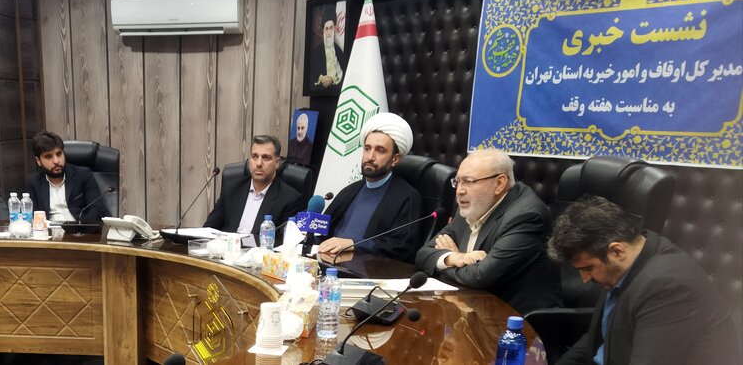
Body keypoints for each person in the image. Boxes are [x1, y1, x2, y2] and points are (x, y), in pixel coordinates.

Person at [550, 196, 740, 365]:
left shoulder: (667, 287)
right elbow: (600, 337)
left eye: (588, 268)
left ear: (617, 251)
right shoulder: (625, 265)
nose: (585, 279)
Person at [416, 149, 560, 314]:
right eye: (458, 182)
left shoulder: (527, 216)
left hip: (517, 319)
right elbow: (423, 255)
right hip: (475, 309)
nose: (459, 191)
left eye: (469, 182)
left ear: (499, 184)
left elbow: (481, 277)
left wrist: (443, 265)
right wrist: (455, 258)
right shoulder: (472, 205)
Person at [317, 113, 423, 262]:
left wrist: (354, 244)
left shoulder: (407, 197)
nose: (370, 157)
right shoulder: (350, 190)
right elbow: (322, 230)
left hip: (368, 270)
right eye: (367, 149)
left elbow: (402, 247)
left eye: (380, 150)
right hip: (327, 263)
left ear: (395, 159)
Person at [204, 135, 304, 245]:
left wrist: (242, 243)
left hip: (259, 253)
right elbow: (208, 229)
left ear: (277, 163)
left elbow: (283, 241)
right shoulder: (232, 189)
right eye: (255, 157)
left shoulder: (290, 198)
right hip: (225, 250)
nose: (259, 163)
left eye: (266, 158)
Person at [25, 131, 109, 223]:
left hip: (78, 229)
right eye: (49, 157)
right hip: (48, 230)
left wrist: (80, 227)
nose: (56, 161)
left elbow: (97, 209)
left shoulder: (83, 175)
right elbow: (31, 217)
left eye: (59, 154)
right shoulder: (33, 183)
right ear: (38, 161)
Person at [307, 8, 345, 91]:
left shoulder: (339, 51)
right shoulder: (315, 52)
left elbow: (345, 76)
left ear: (334, 29)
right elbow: (310, 78)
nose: (329, 32)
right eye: (326, 28)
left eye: (331, 28)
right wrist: (321, 79)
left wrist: (332, 80)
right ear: (323, 30)